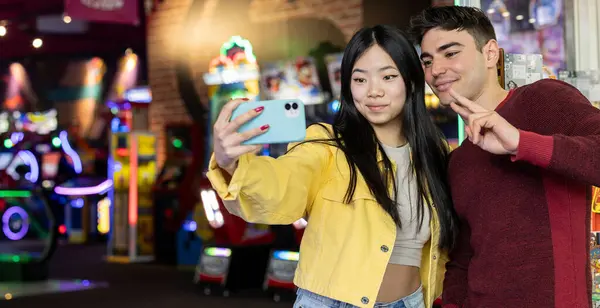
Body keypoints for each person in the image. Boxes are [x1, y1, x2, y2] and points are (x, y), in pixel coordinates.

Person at [207, 25, 459, 308]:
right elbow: (281, 184)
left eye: (388, 77)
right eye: (360, 80)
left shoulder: (435, 152)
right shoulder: (327, 145)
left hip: (412, 302)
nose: (373, 92)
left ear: (411, 81)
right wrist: (231, 163)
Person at [409, 6, 600, 308]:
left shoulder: (543, 99)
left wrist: (520, 143)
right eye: (428, 60)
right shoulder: (458, 160)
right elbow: (464, 257)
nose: (435, 70)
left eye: (450, 53)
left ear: (490, 54)